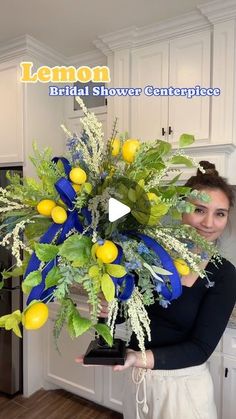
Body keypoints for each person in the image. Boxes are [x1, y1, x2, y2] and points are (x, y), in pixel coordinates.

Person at [76, 161, 236, 419]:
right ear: (182, 210)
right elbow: (128, 314)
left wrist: (136, 358)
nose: (208, 222)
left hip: (184, 394)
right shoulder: (153, 258)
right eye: (199, 210)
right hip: (138, 385)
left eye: (220, 213)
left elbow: (200, 349)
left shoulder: (224, 274)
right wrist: (108, 303)